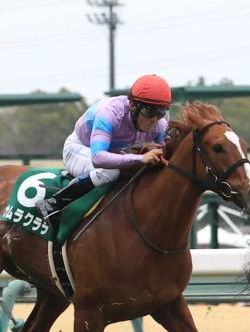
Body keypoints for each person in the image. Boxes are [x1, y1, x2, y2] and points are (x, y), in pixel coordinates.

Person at [36, 74, 172, 224]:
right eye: (149, 111)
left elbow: (166, 157)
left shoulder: (160, 125)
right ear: (133, 105)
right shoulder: (109, 113)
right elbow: (98, 158)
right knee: (111, 171)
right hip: (78, 149)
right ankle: (52, 204)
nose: (154, 119)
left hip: (110, 152)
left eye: (161, 112)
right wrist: (141, 158)